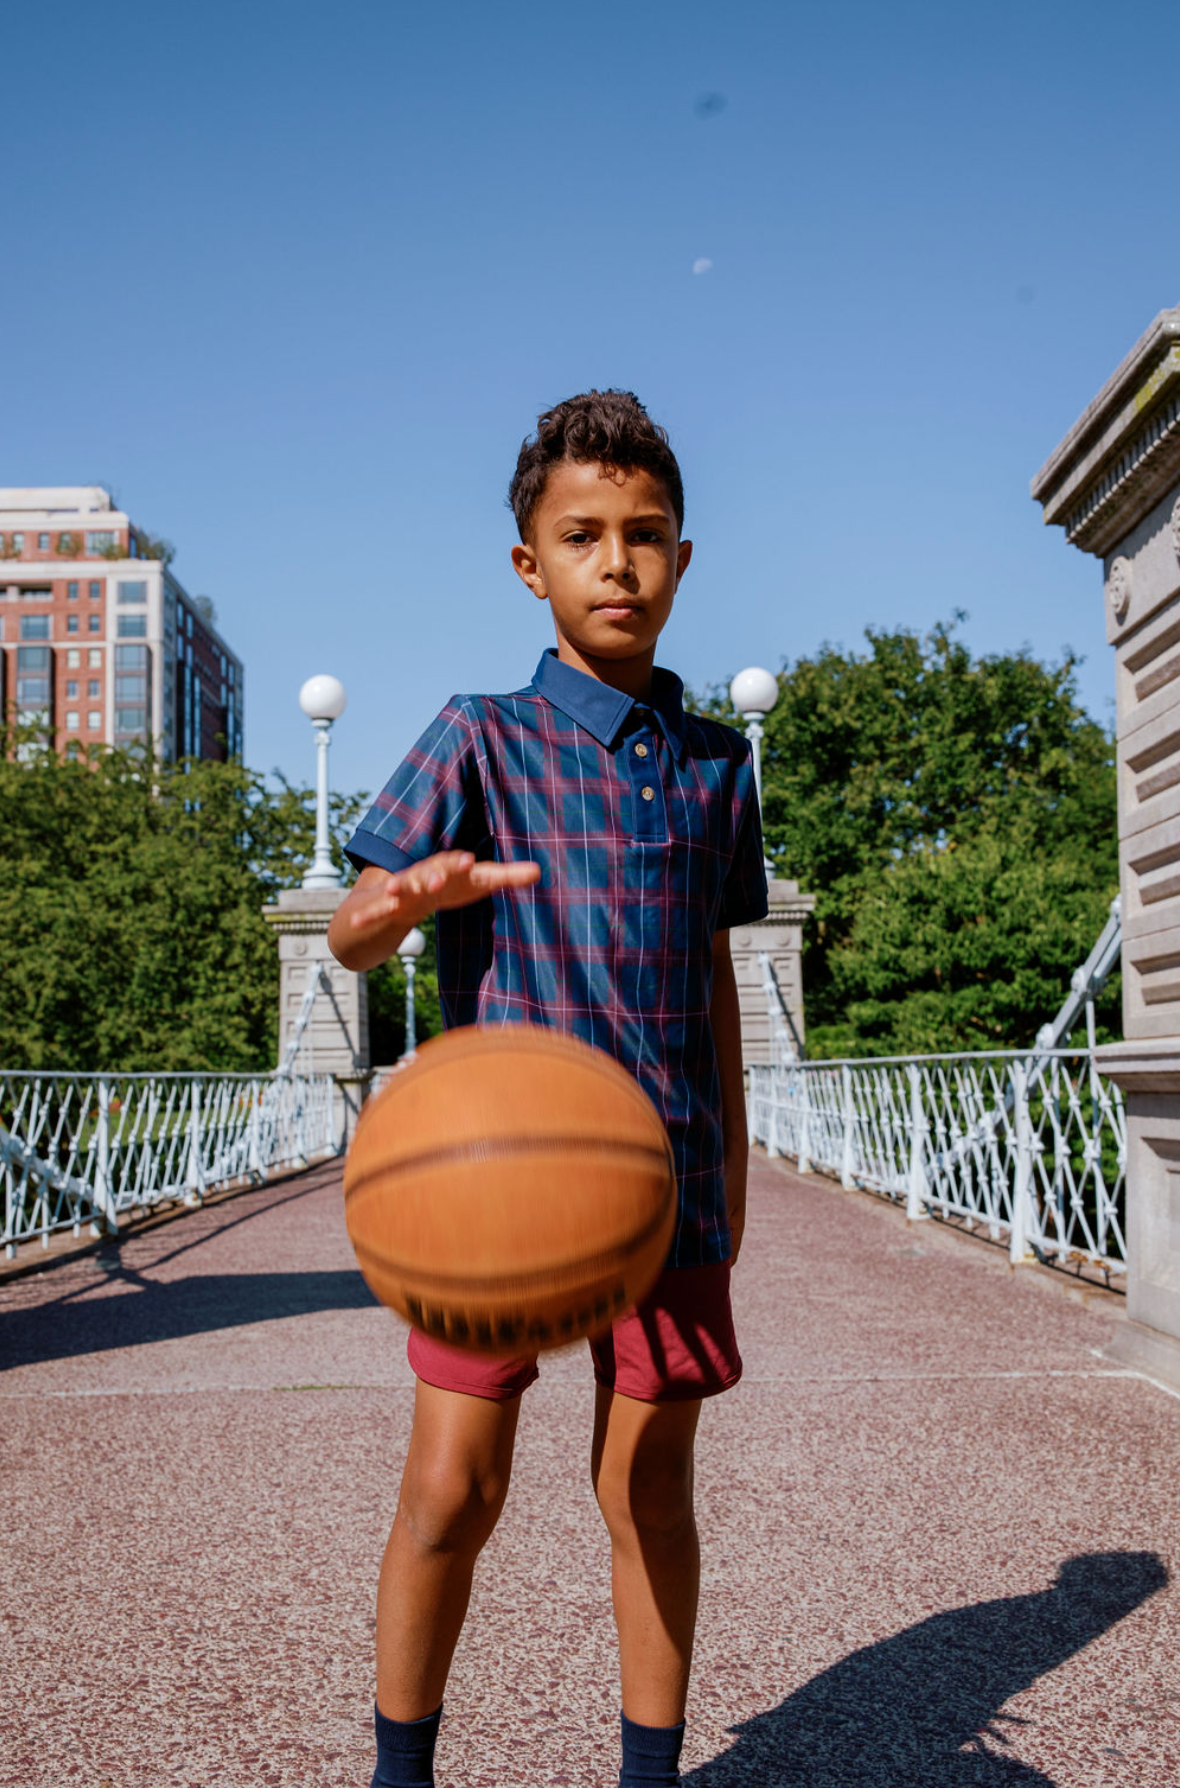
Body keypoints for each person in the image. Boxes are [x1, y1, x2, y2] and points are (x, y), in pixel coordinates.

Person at [329, 389, 769, 1788]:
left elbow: (710, 982)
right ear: (533, 564)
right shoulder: (478, 735)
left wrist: (737, 1180)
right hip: (493, 1195)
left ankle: (651, 1774)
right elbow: (346, 929)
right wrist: (405, 895)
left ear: (684, 557)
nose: (618, 562)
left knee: (649, 1494)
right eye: (584, 536)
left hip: (674, 1192)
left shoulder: (717, 768)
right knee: (453, 1490)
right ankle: (404, 1772)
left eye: (647, 535)